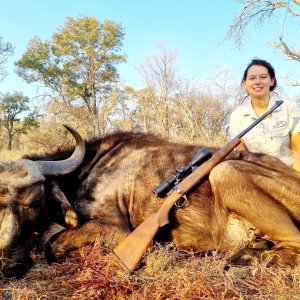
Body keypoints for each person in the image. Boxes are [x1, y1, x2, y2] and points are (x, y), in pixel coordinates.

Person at [229, 58, 300, 172]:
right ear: (245, 84)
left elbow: (299, 152)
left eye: (263, 77)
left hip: (289, 175)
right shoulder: (236, 116)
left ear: (272, 81)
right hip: (257, 178)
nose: (257, 82)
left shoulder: (291, 108)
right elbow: (241, 154)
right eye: (252, 78)